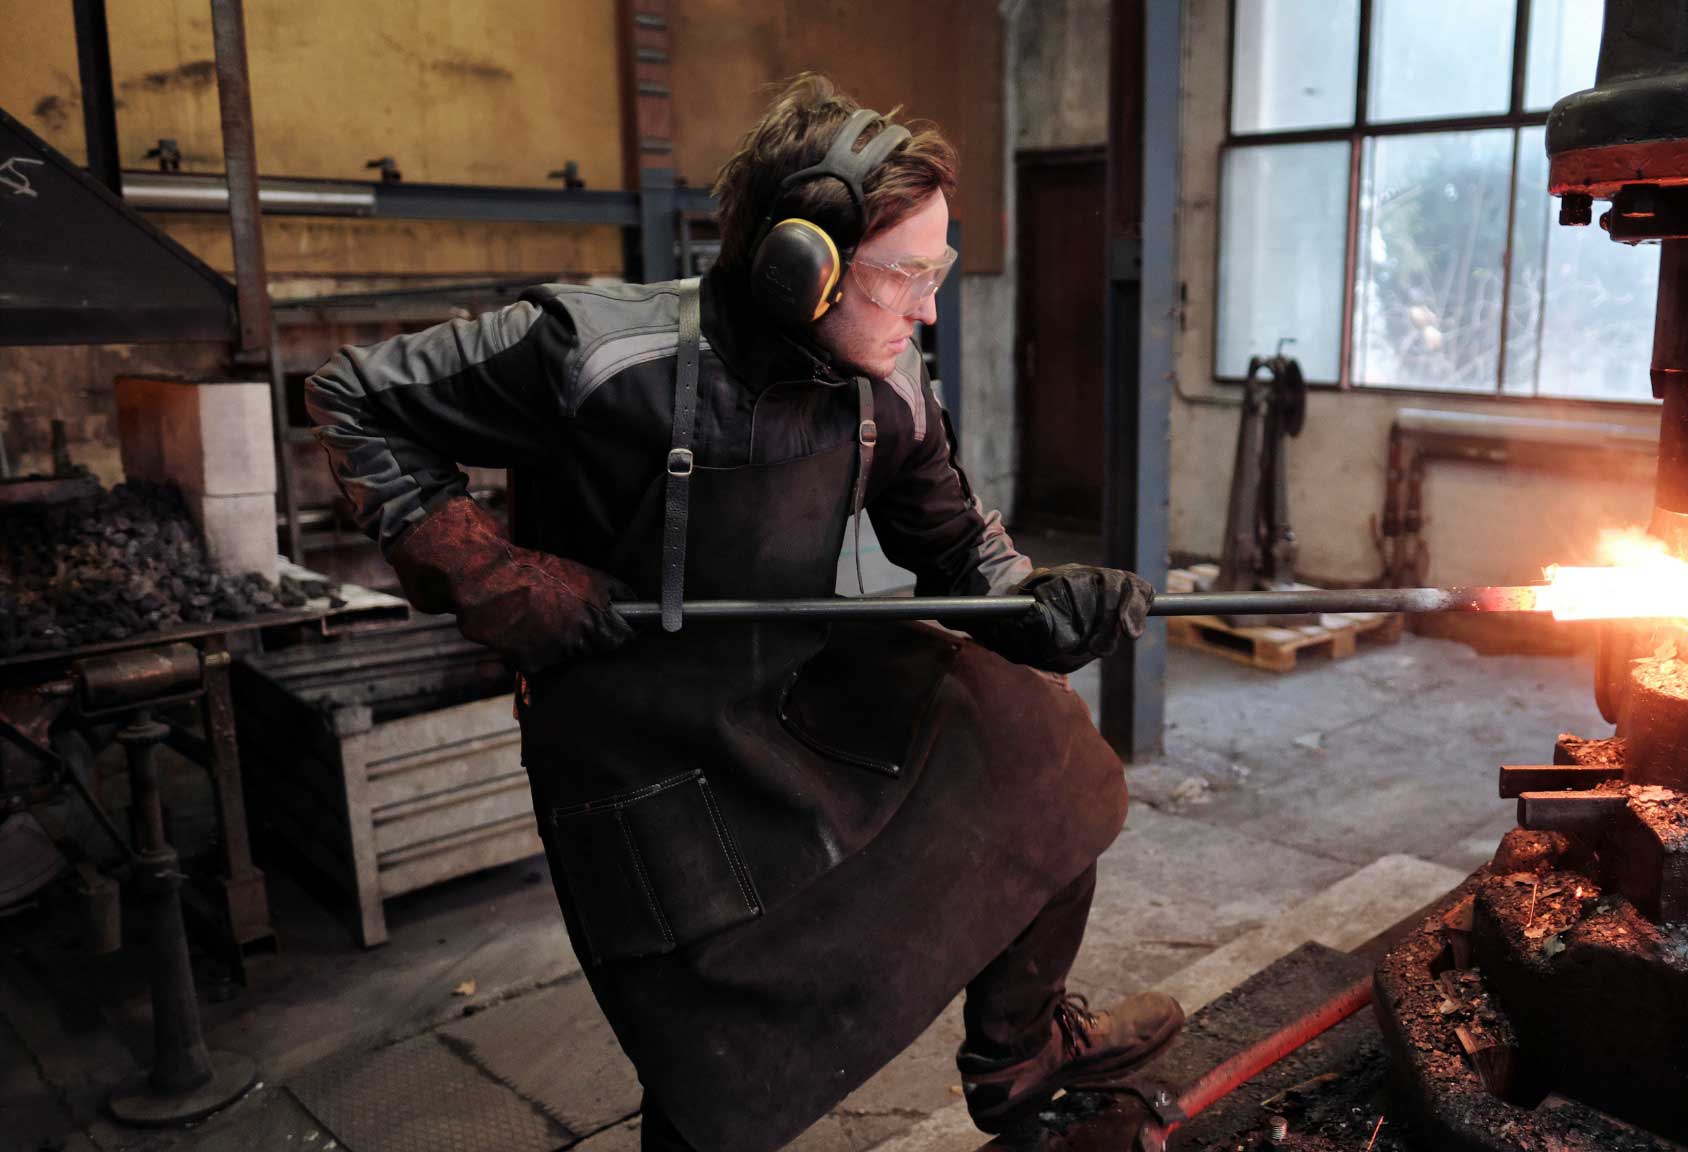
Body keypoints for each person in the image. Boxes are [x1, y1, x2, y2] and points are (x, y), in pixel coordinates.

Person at [304, 74, 1182, 1151]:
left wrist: (1036, 610)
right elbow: (352, 395)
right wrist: (493, 575)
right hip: (635, 743)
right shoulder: (596, 351)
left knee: (1043, 755)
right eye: (905, 275)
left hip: (797, 692)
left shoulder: (886, 390)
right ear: (796, 266)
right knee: (712, 1069)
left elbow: (958, 550)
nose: (928, 308)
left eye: (935, 271)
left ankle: (1021, 1053)